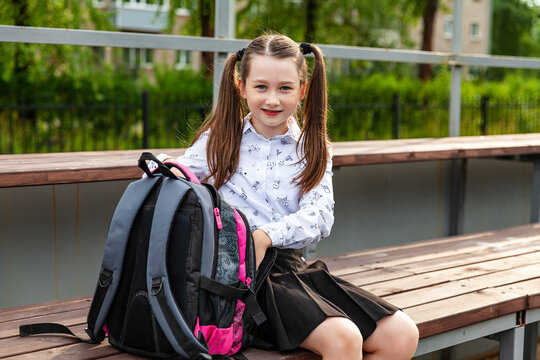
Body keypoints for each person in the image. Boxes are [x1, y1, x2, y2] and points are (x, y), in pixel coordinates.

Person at [156, 33, 419, 360]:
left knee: (402, 335)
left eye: (285, 88)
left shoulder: (312, 147)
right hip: (240, 276)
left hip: (292, 269)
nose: (272, 100)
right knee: (343, 339)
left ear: (302, 90)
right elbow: (173, 174)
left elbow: (321, 215)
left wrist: (267, 235)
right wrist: (167, 169)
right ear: (242, 87)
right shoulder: (221, 139)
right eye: (261, 87)